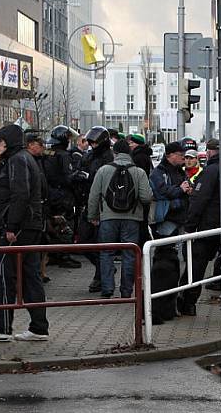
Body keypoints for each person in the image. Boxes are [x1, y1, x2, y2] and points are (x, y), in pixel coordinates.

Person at [0, 124, 49, 342]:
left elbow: (19, 194)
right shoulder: (22, 159)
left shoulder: (18, 160)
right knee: (30, 276)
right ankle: (38, 327)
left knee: (3, 273)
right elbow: (9, 188)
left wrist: (11, 226)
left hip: (19, 227)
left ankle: (2, 327)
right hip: (30, 225)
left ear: (7, 142)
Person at [182, 138, 221, 315]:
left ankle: (188, 303)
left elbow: (199, 200)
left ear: (209, 152)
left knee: (196, 266)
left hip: (208, 227)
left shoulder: (212, 170)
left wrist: (190, 226)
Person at [87, 139, 153, 298]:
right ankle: (126, 291)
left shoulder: (103, 170)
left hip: (108, 218)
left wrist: (93, 216)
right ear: (129, 153)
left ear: (114, 153)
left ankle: (107, 288)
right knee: (129, 254)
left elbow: (94, 196)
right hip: (132, 219)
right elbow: (146, 197)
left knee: (106, 252)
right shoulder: (138, 172)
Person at [77, 126, 115, 292]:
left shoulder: (109, 158)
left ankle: (101, 275)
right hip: (88, 202)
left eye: (94, 142)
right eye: (90, 142)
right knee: (83, 241)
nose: (92, 145)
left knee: (101, 243)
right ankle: (103, 269)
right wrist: (77, 176)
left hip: (103, 206)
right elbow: (80, 170)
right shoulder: (89, 156)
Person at [44, 125, 81, 268]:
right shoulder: (64, 155)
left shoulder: (49, 152)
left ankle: (53, 255)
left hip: (51, 194)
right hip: (62, 195)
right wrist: (78, 176)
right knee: (66, 225)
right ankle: (64, 256)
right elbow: (67, 178)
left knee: (53, 226)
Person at [150, 141, 191, 238]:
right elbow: (161, 192)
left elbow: (185, 187)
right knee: (165, 248)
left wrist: (189, 190)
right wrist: (180, 190)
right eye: (181, 154)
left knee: (182, 249)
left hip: (181, 217)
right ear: (171, 155)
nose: (183, 157)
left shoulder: (180, 171)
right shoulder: (159, 172)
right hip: (167, 218)